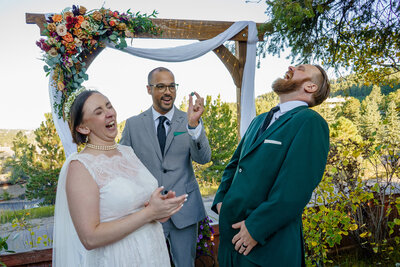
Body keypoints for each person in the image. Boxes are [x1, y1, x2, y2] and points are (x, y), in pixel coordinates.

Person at [212, 64, 331, 266]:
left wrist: (256, 228)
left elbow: (294, 190)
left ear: (311, 87)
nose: (291, 66)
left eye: (300, 68)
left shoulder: (310, 122)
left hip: (266, 248)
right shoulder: (259, 121)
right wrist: (221, 201)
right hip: (231, 244)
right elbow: (234, 165)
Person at [52, 88, 187, 267]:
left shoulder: (128, 152)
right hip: (118, 258)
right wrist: (149, 213)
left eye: (109, 106)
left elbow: (141, 207)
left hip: (154, 252)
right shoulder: (80, 166)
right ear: (83, 127)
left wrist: (160, 209)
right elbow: (89, 238)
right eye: (98, 112)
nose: (109, 113)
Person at [120, 67, 211, 266]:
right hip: (148, 211)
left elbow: (204, 158)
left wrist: (194, 127)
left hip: (184, 210)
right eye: (160, 86)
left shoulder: (189, 120)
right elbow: (123, 168)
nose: (168, 92)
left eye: (171, 86)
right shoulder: (133, 125)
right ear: (148, 89)